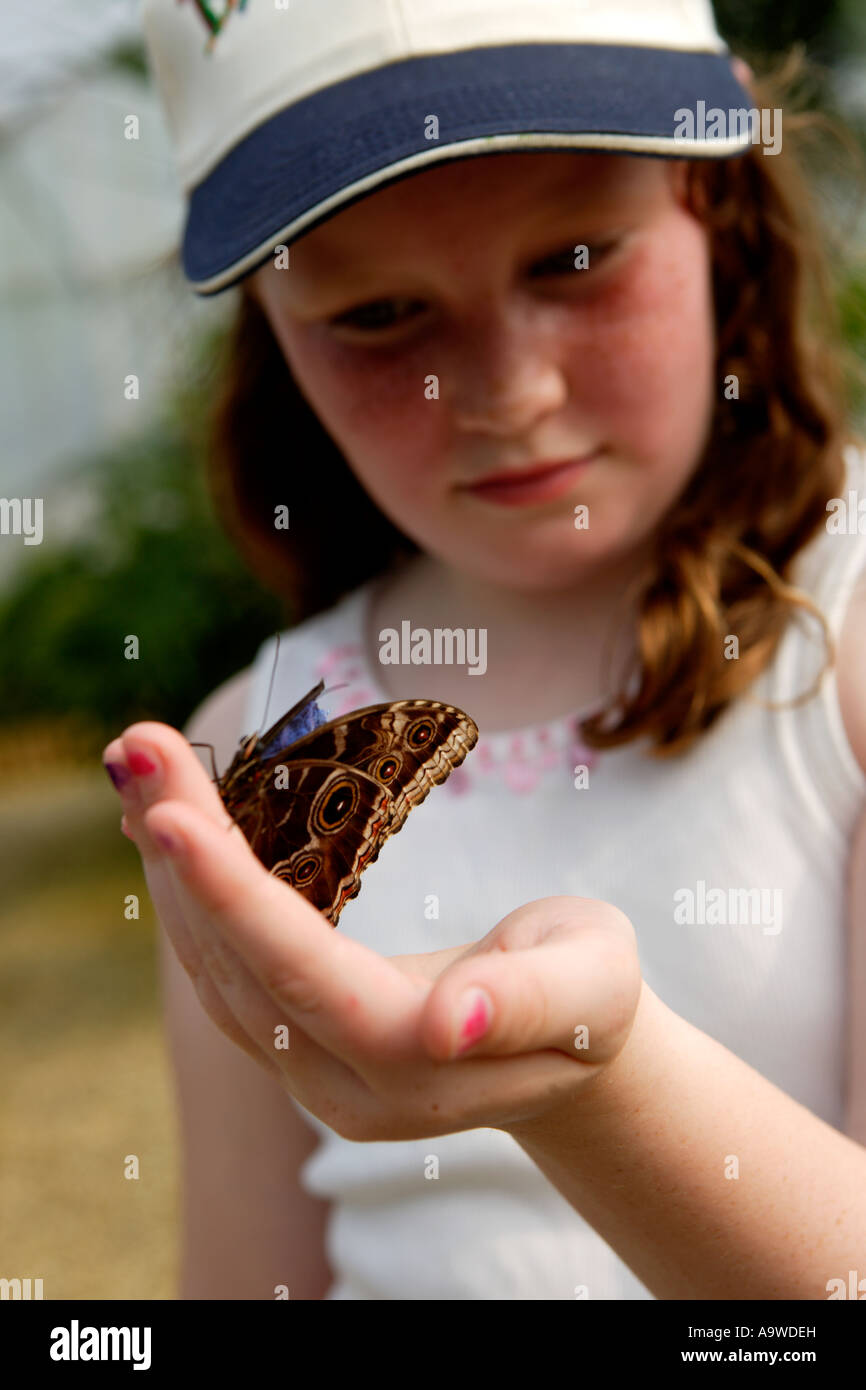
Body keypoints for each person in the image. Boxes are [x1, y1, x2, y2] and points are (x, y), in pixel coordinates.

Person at [102, 0, 866, 1299]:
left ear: (711, 189)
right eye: (380, 313)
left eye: (572, 256)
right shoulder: (259, 742)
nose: (508, 394)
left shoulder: (840, 629)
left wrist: (601, 1083)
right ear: (275, 331)